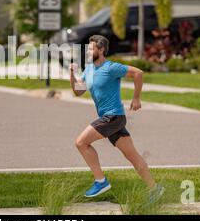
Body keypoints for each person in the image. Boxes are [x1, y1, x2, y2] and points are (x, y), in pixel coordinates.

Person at [69, 35, 164, 202]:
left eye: (91, 49)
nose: (88, 52)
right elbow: (78, 91)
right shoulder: (89, 69)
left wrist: (136, 98)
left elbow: (138, 73)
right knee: (132, 156)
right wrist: (72, 74)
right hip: (111, 119)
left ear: (101, 50)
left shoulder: (111, 67)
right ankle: (155, 189)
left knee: (81, 142)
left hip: (113, 116)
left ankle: (101, 181)